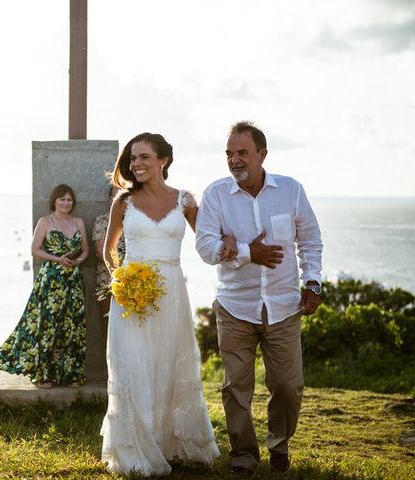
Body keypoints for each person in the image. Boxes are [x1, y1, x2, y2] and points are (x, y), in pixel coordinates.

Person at [195, 121, 323, 475]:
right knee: (236, 386)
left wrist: (312, 283)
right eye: (229, 154)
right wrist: (248, 253)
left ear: (262, 154)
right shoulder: (215, 195)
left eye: (242, 153)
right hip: (235, 306)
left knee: (288, 385)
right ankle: (244, 455)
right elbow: (205, 247)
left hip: (284, 306)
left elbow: (310, 240)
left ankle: (279, 444)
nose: (235, 160)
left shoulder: (291, 191)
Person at [101, 133, 220, 477]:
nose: (136, 164)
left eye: (144, 158)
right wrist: (122, 281)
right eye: (133, 158)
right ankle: (136, 447)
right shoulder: (123, 201)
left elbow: (208, 240)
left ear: (163, 160)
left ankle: (172, 443)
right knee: (133, 366)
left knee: (169, 364)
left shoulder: (185, 200)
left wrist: (235, 248)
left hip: (171, 292)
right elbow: (109, 250)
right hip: (131, 298)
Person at [0, 184, 89, 388]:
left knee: (72, 326)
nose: (66, 203)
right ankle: (44, 375)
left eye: (69, 200)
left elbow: (85, 250)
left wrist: (78, 261)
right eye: (62, 199)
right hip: (50, 280)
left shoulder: (78, 222)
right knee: (48, 326)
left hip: (73, 281)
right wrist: (58, 259)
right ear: (54, 201)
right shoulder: (45, 221)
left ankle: (71, 374)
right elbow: (35, 250)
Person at [91, 184, 125, 321]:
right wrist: (121, 272)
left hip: (135, 277)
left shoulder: (135, 219)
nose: (119, 198)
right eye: (115, 195)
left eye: (122, 194)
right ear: (110, 198)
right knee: (109, 321)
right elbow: (100, 250)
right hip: (108, 278)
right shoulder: (102, 220)